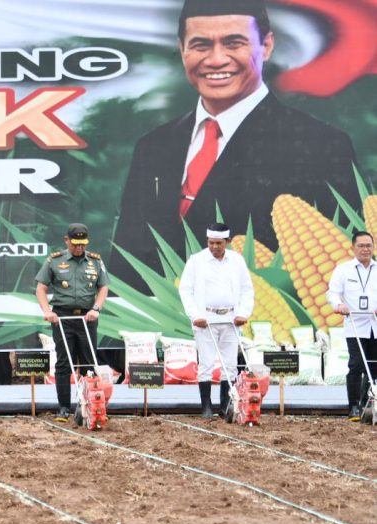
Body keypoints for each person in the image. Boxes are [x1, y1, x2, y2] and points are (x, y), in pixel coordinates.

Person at [111, 0, 359, 291]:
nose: (216, 59)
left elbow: (345, 267)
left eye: (234, 43)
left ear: (266, 46)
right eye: (201, 45)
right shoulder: (153, 146)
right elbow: (124, 270)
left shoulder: (320, 144)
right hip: (157, 330)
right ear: (182, 49)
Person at [178, 223, 254, 418]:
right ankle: (206, 407)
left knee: (229, 364)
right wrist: (196, 316)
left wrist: (243, 313)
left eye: (218, 243)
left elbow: (247, 289)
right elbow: (185, 290)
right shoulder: (196, 261)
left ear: (227, 242)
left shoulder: (237, 260)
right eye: (211, 243)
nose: (214, 247)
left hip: (231, 318)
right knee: (206, 364)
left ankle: (225, 406)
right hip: (206, 319)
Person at [35, 224, 109, 422]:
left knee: (88, 362)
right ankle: (63, 407)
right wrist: (47, 311)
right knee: (63, 362)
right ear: (66, 240)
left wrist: (96, 308)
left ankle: (87, 404)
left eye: (82, 244)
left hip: (87, 317)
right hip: (63, 317)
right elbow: (41, 288)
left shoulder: (95, 261)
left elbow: (103, 288)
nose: (79, 248)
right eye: (75, 244)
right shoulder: (54, 260)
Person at [327, 231, 377, 421]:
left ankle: (368, 404)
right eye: (361, 245)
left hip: (375, 325)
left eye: (368, 245)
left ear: (373, 247)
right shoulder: (344, 270)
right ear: (353, 248)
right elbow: (332, 293)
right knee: (356, 364)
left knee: (374, 367)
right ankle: (353, 406)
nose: (365, 249)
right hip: (355, 325)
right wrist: (339, 305)